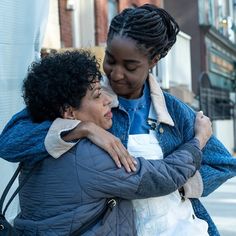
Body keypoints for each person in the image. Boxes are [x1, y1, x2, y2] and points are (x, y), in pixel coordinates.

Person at [0, 3, 236, 235]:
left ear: (153, 61)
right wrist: (81, 128)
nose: (115, 73)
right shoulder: (77, 94)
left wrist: (180, 186)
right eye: (110, 59)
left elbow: (223, 162)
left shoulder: (175, 111)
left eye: (130, 66)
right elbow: (10, 141)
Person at [13, 49, 210, 235]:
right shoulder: (88, 157)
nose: (108, 100)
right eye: (97, 95)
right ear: (69, 112)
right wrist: (198, 140)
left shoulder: (39, 144)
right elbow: (162, 177)